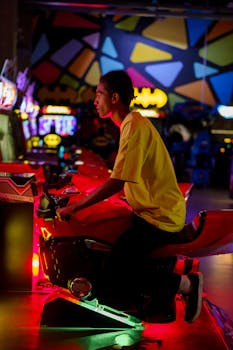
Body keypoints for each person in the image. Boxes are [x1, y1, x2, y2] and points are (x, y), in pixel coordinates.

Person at [57, 70, 203, 323]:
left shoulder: (134, 125)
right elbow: (130, 177)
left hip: (160, 216)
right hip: (152, 211)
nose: (95, 100)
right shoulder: (131, 124)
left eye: (99, 94)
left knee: (118, 267)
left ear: (114, 98)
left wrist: (77, 206)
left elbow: (119, 180)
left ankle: (186, 285)